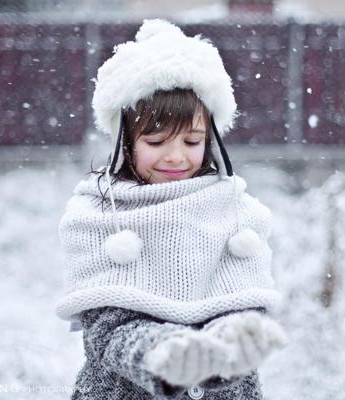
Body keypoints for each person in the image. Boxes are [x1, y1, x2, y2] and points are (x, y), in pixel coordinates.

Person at [56, 19, 286, 400]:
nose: (177, 156)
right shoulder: (97, 217)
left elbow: (246, 308)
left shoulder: (235, 210)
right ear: (124, 142)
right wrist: (166, 354)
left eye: (193, 140)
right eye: (157, 140)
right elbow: (108, 330)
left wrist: (233, 340)